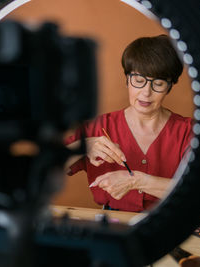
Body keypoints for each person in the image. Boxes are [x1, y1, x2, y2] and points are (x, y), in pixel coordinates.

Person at [64, 34, 192, 212]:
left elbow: (197, 190)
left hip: (169, 223)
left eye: (159, 84)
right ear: (127, 79)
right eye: (138, 81)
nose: (146, 93)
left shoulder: (188, 131)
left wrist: (137, 181)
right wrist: (83, 146)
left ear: (169, 86)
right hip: (113, 223)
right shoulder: (97, 127)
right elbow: (48, 169)